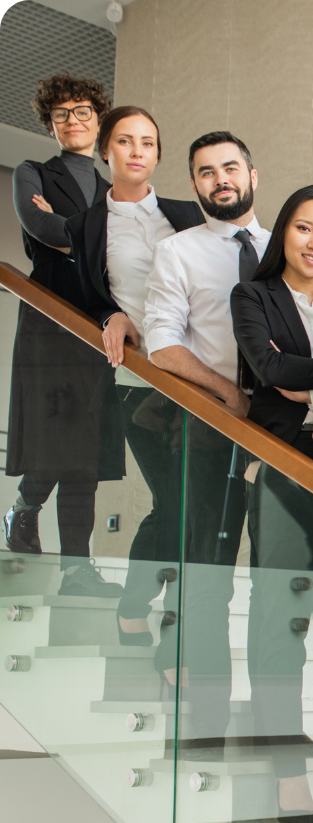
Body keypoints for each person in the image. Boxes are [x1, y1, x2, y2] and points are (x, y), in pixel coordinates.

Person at [230, 185, 313, 823]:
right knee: (282, 623)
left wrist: (301, 373)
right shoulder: (252, 296)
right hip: (284, 472)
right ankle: (287, 769)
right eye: (305, 229)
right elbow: (265, 365)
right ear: (283, 232)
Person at [143, 130, 270, 758]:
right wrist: (229, 394)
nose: (219, 179)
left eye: (230, 167)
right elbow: (162, 344)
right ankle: (200, 730)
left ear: (253, 175)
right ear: (194, 185)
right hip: (211, 427)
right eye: (205, 172)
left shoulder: (288, 247)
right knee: (207, 575)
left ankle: (279, 732)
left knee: (282, 582)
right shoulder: (179, 251)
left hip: (281, 439)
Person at [64, 105, 204, 646]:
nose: (138, 151)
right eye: (126, 141)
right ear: (106, 151)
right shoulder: (86, 225)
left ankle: (176, 618)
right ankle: (133, 607)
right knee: (173, 502)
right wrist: (110, 315)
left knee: (199, 506)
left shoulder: (184, 215)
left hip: (195, 381)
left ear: (158, 154)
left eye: (148, 142)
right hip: (136, 384)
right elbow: (81, 298)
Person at [4, 73, 124, 597]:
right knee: (57, 444)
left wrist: (70, 231)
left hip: (100, 329)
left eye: (81, 111)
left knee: (87, 455)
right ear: (51, 126)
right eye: (61, 115)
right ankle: (24, 509)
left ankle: (77, 570)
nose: (72, 120)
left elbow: (112, 250)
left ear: (98, 120)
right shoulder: (31, 172)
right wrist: (90, 237)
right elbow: (41, 229)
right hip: (51, 323)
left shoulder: (115, 187)